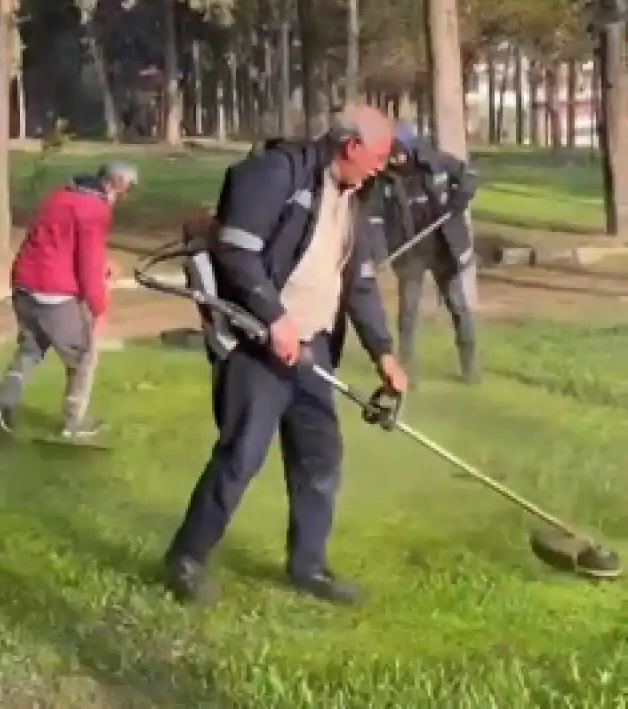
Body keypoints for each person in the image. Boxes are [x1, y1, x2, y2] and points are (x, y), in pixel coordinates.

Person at [164, 104, 408, 607]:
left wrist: (383, 352)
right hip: (259, 342)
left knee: (319, 457)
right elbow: (235, 250)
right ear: (350, 146)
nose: (382, 166)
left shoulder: (356, 197)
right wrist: (274, 319)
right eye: (379, 155)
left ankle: (308, 566)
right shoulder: (276, 173)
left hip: (313, 345)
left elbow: (357, 282)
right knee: (241, 455)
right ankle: (186, 558)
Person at [0, 160, 138, 439]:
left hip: (24, 283)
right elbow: (88, 264)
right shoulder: (95, 210)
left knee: (31, 348)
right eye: (124, 191)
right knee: (83, 355)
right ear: (116, 185)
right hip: (53, 292)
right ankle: (74, 422)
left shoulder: (58, 196)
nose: (123, 198)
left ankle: (3, 403)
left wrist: (103, 265)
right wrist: (98, 306)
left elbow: (55, 242)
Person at [375, 121, 479, 384]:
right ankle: (407, 368)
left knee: (458, 306)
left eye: (398, 151)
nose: (395, 157)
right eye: (390, 152)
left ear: (410, 148)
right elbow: (374, 218)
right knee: (408, 312)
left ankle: (470, 367)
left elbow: (470, 177)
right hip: (409, 252)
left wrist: (460, 198)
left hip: (444, 247)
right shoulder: (383, 177)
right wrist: (378, 252)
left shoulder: (437, 162)